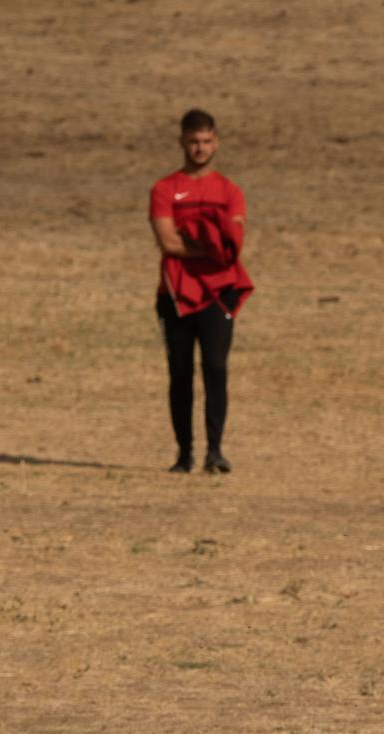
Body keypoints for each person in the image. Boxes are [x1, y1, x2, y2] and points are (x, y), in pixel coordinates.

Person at [149, 108, 252, 474]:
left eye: (207, 141)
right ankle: (184, 454)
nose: (200, 148)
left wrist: (205, 242)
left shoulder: (229, 191)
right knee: (179, 373)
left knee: (215, 369)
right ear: (182, 142)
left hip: (218, 293)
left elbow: (233, 242)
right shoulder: (164, 189)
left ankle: (215, 451)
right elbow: (168, 241)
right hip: (176, 294)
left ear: (216, 142)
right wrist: (206, 246)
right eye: (193, 141)